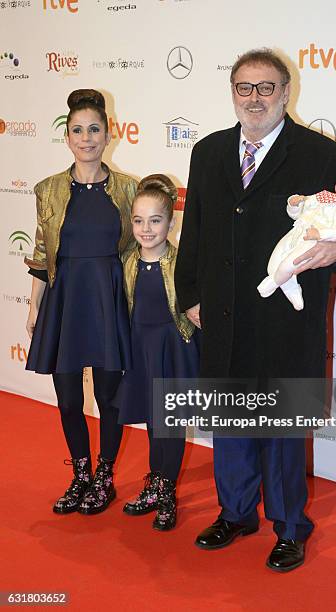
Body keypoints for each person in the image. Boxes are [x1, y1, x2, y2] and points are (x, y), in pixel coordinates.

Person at [175, 49, 336, 572]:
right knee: (231, 423)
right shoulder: (208, 151)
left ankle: (289, 526)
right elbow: (193, 228)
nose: (255, 98)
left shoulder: (319, 152)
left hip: (287, 318)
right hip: (221, 315)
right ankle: (236, 513)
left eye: (266, 88)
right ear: (233, 92)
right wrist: (190, 295)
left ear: (287, 93)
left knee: (284, 429)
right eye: (245, 87)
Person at [25, 89, 137, 515]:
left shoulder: (129, 188)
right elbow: (42, 250)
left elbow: (138, 247)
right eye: (77, 130)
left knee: (109, 398)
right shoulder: (48, 189)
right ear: (66, 137)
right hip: (64, 300)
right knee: (69, 400)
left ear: (109, 134)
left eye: (94, 129)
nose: (86, 138)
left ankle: (104, 478)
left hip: (110, 299)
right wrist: (35, 305)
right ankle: (80, 476)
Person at [113, 174, 199, 531]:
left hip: (174, 349)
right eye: (138, 220)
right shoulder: (126, 261)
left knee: (171, 424)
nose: (146, 229)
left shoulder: (182, 264)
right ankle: (155, 482)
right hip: (141, 349)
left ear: (171, 222)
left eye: (155, 220)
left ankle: (167, 492)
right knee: (152, 421)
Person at [257, 162, 336, 309]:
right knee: (274, 265)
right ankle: (290, 287)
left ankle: (273, 283)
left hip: (312, 241)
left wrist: (322, 235)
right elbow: (300, 212)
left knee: (289, 264)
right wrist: (294, 204)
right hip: (296, 232)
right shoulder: (323, 196)